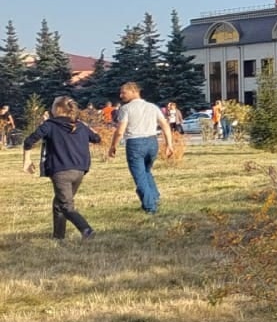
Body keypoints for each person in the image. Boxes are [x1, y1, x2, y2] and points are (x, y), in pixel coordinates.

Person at [22, 96, 100, 239]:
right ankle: (58, 236)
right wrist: (86, 127)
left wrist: (26, 161)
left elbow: (29, 141)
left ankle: (86, 230)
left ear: (57, 109)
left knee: (66, 206)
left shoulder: (50, 124)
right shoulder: (80, 125)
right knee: (59, 203)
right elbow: (96, 138)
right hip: (80, 169)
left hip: (60, 170)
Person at [104, 82, 173, 214]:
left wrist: (113, 146)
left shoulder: (126, 109)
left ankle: (150, 207)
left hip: (135, 143)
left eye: (124, 92)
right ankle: (154, 196)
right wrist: (169, 144)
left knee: (140, 176)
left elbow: (120, 131)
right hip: (152, 142)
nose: (121, 95)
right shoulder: (152, 107)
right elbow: (165, 125)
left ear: (134, 91)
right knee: (146, 171)